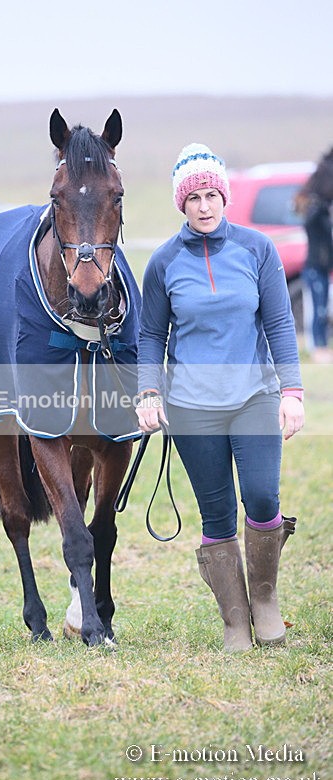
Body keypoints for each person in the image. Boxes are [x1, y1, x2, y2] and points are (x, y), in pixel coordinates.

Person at [136, 143, 305, 652]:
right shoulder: (164, 263)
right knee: (215, 515)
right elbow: (150, 335)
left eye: (212, 195)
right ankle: (235, 622)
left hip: (254, 396)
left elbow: (278, 321)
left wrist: (292, 391)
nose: (205, 206)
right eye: (194, 198)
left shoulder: (257, 250)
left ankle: (266, 603)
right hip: (191, 408)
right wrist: (148, 391)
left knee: (261, 497)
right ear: (181, 205)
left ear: (225, 197)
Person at [294, 149, 333, 363]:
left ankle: (320, 346)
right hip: (315, 266)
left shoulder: (320, 211)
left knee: (321, 309)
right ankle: (317, 348)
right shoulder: (315, 213)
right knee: (317, 310)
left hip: (321, 267)